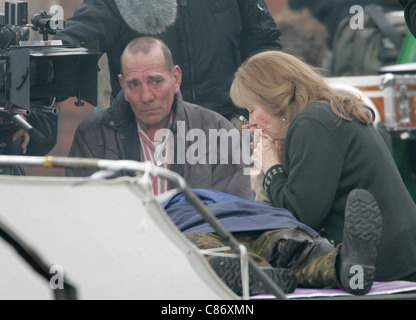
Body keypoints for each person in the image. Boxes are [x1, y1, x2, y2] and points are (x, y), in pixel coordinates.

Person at [229, 50, 416, 283]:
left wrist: (271, 167)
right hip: (396, 258)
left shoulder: (311, 123)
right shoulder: (322, 113)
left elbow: (301, 214)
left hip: (378, 268)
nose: (252, 121)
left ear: (275, 98)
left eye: (252, 109)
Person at [66, 37, 251, 200]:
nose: (146, 96)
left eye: (156, 81)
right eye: (134, 84)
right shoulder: (92, 135)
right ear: (122, 86)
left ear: (176, 79)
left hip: (193, 240)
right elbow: (81, 214)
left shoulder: (217, 131)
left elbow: (234, 217)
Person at [53, 0, 282, 122]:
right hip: (148, 139)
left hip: (229, 131)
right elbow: (69, 46)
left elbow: (265, 49)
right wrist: (33, 85)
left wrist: (250, 114)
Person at [162, 188, 382, 296]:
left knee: (205, 252)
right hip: (265, 220)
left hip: (196, 226)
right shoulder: (234, 196)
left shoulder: (165, 201)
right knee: (295, 249)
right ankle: (342, 266)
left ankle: (254, 273)